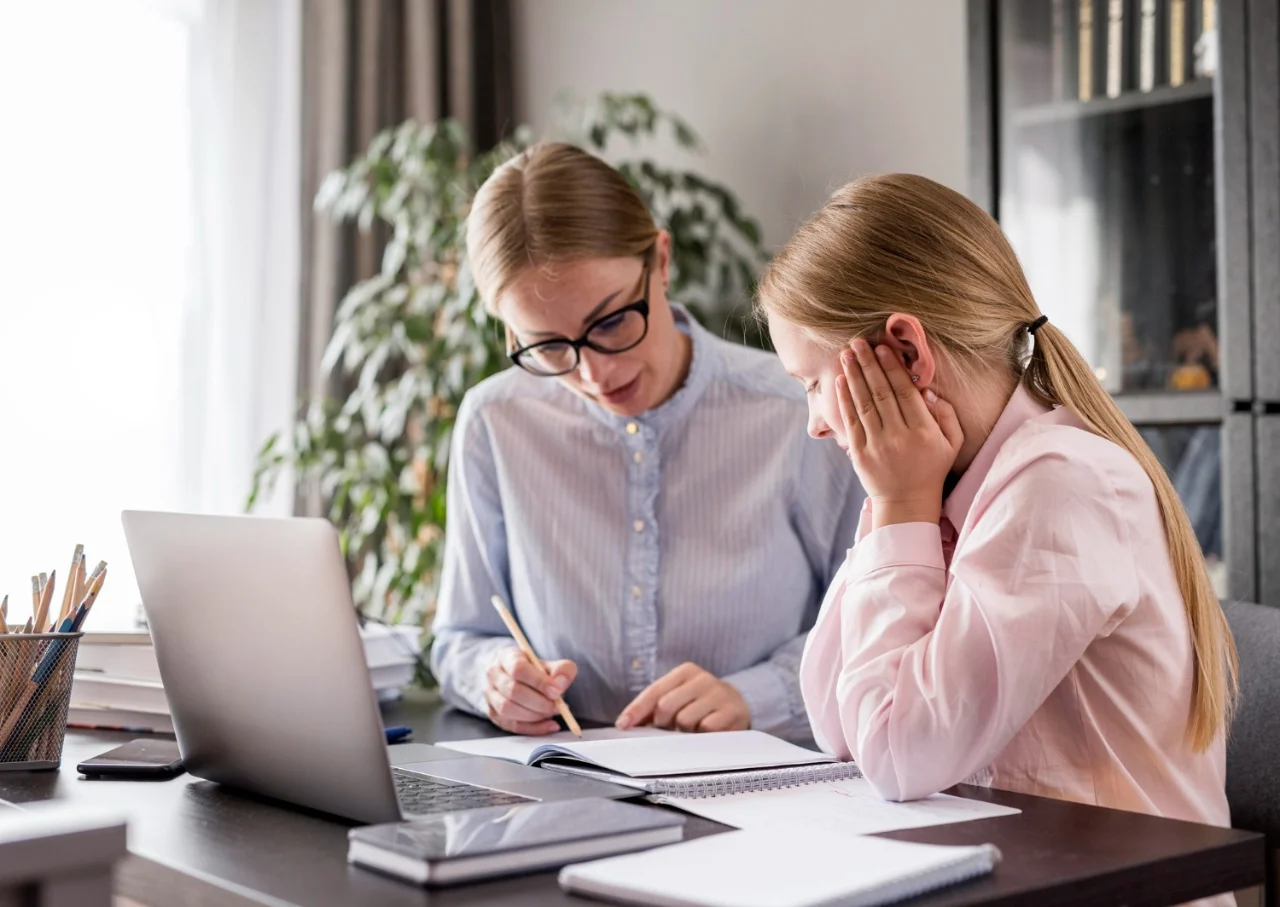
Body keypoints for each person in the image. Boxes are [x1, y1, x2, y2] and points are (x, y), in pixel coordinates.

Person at [758, 174, 1236, 836]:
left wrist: (899, 505)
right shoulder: (946, 490)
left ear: (906, 352)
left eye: (813, 383)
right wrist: (897, 507)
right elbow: (838, 723)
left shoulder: (1062, 487)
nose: (814, 421)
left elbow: (895, 751)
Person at [429, 142, 862, 742]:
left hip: (770, 791)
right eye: (549, 346)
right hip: (566, 792)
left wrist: (756, 696)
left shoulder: (799, 412)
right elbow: (460, 637)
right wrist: (493, 678)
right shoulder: (494, 422)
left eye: (610, 322)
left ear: (660, 261)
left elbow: (875, 626)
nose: (595, 375)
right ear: (509, 329)